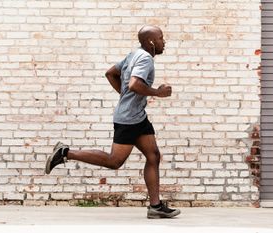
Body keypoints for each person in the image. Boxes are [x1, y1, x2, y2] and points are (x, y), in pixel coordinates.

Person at [45, 25, 180, 219]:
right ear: (151, 42)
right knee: (114, 161)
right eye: (161, 38)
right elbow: (134, 84)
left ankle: (155, 206)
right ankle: (66, 153)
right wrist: (157, 93)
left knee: (153, 155)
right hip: (129, 120)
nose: (163, 41)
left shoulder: (134, 54)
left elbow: (111, 73)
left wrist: (125, 98)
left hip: (137, 116)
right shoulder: (145, 59)